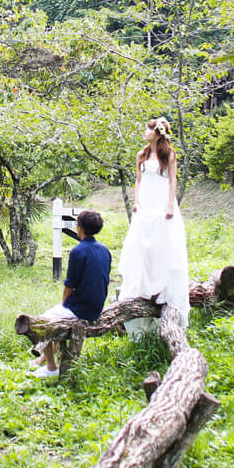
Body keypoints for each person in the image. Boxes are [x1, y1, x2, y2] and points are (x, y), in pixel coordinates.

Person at [117, 116, 190, 339]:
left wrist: (170, 204)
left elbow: (172, 182)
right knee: (143, 247)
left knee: (164, 246)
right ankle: (143, 291)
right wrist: (136, 202)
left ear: (157, 133)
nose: (145, 133)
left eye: (148, 130)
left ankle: (164, 293)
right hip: (145, 204)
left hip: (162, 203)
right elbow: (138, 181)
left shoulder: (169, 155)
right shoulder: (142, 154)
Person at [31, 210, 111, 378]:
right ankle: (44, 360)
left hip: (81, 309)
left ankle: (51, 368)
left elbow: (69, 285)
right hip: (98, 306)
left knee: (42, 323)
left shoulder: (78, 251)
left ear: (79, 227)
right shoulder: (105, 250)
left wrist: (65, 305)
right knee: (55, 317)